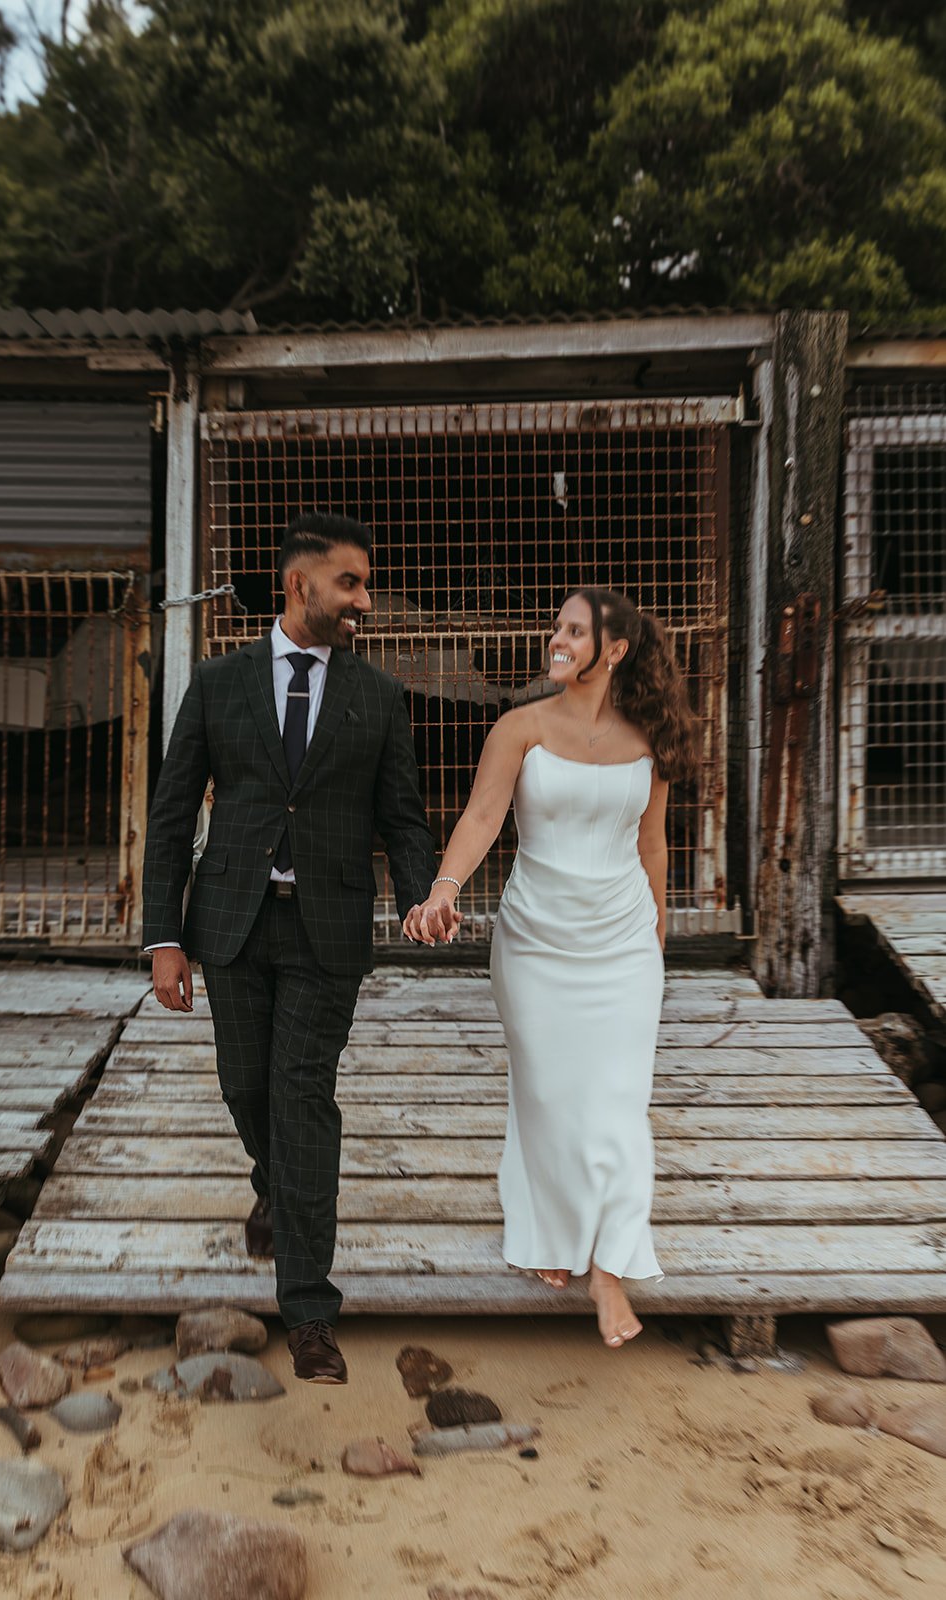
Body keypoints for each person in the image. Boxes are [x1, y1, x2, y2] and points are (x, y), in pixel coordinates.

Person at [142, 512, 437, 1384]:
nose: (365, 601)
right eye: (349, 582)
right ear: (296, 584)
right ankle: (276, 1184)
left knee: (301, 1097)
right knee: (244, 1084)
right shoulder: (217, 683)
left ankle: (309, 1310)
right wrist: (164, 937)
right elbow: (168, 819)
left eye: (366, 584)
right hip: (229, 922)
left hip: (327, 928)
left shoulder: (377, 696)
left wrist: (425, 895)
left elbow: (402, 819)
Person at [403, 587, 697, 1348]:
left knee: (616, 1096)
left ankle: (607, 1264)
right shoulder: (518, 728)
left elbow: (653, 845)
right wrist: (443, 890)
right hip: (534, 939)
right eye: (557, 627)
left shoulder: (650, 736)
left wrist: (657, 937)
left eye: (575, 630)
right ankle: (555, 1231)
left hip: (624, 941)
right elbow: (480, 816)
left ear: (615, 650)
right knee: (548, 1092)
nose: (556, 638)